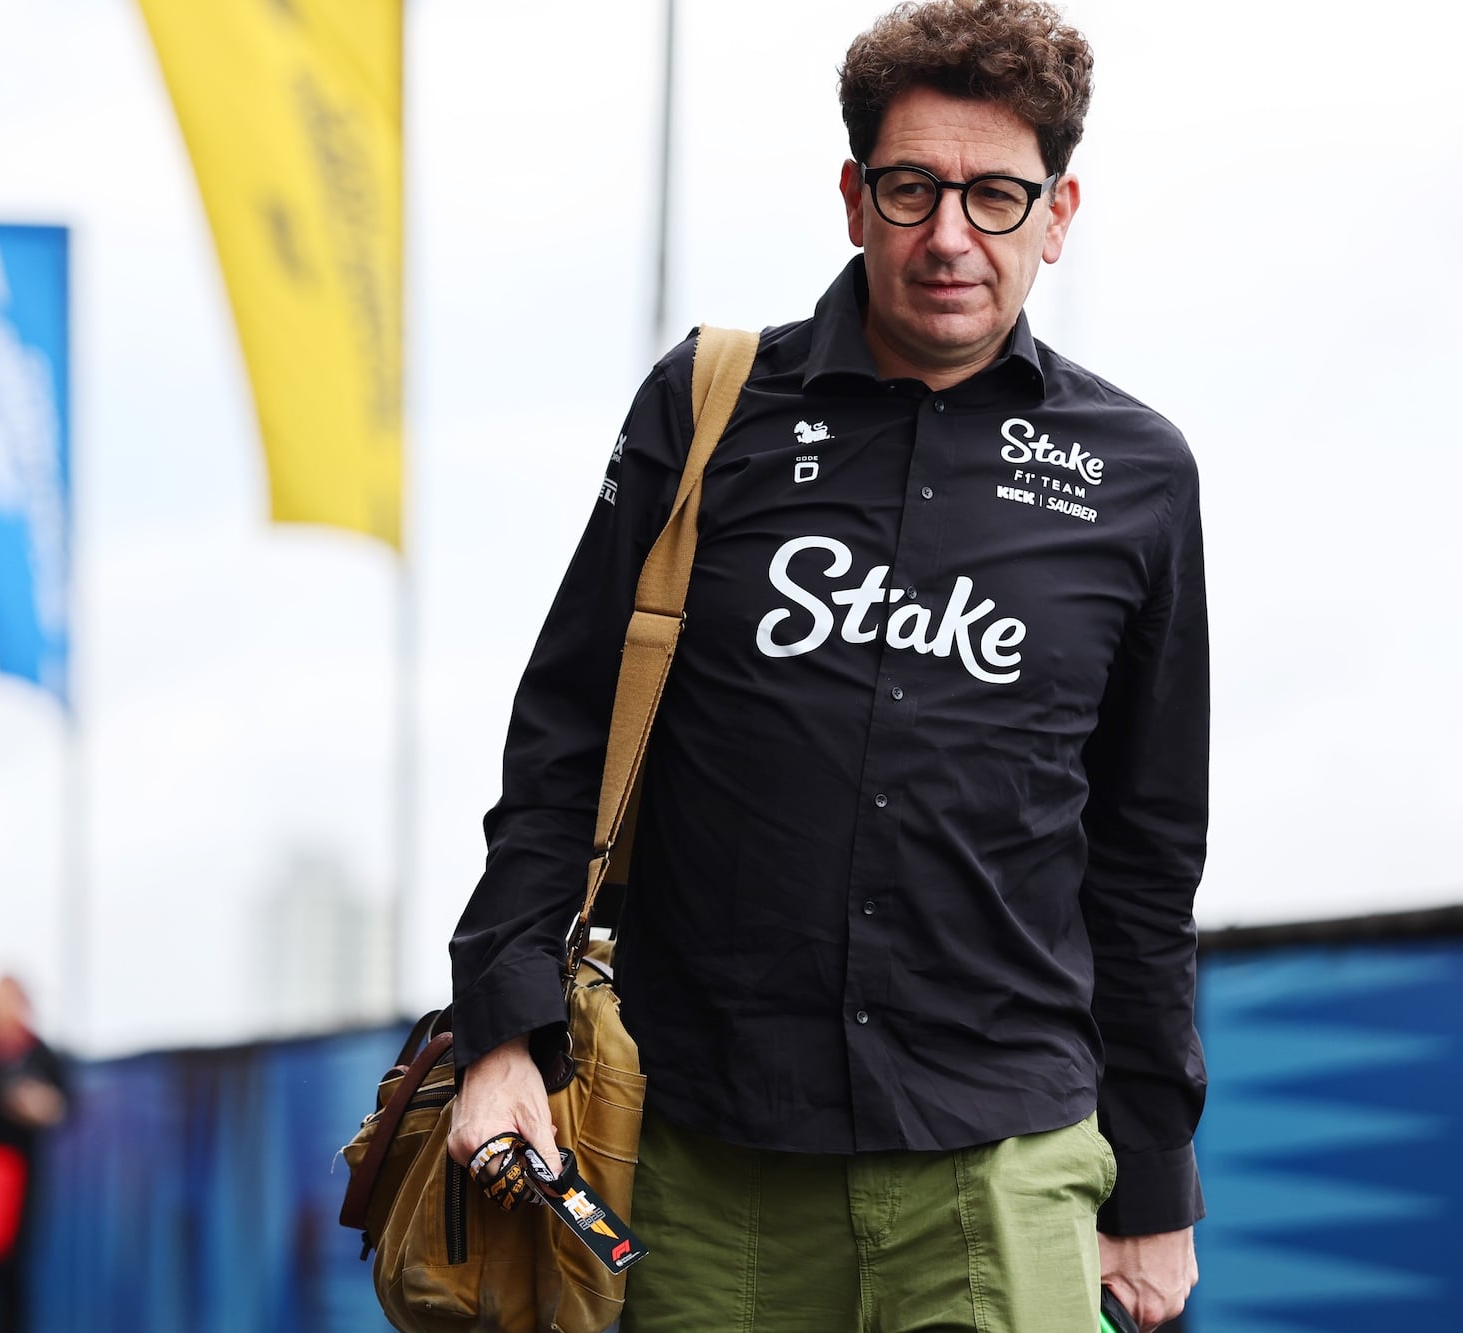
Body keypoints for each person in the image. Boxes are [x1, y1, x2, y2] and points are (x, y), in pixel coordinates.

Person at [446, 2, 1207, 1329]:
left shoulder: (1137, 476)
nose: (952, 235)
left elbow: (1145, 860)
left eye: (996, 195)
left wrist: (1152, 1186)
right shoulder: (706, 407)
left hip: (1001, 1162)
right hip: (699, 1156)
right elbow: (567, 738)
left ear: (1060, 211)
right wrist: (502, 1033)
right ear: (855, 198)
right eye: (912, 188)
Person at [0, 975, 69, 1333]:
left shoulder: (40, 1053)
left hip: (20, 1179)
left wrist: (36, 1105)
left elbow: (64, 1106)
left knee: (14, 1271)